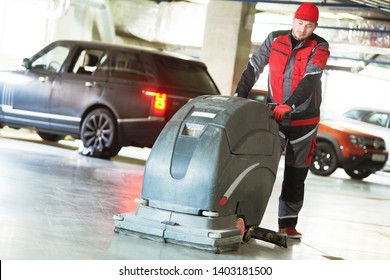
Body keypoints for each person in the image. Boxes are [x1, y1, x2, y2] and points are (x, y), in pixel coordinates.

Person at [235, 2, 330, 239]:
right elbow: (254, 66)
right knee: (259, 169)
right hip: (274, 118)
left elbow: (311, 79)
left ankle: (287, 224)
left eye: (309, 26)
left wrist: (291, 104)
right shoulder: (274, 39)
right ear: (293, 20)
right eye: (299, 23)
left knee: (296, 174)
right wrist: (239, 95)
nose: (302, 29)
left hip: (304, 123)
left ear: (314, 26)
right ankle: (243, 217)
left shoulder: (319, 46)